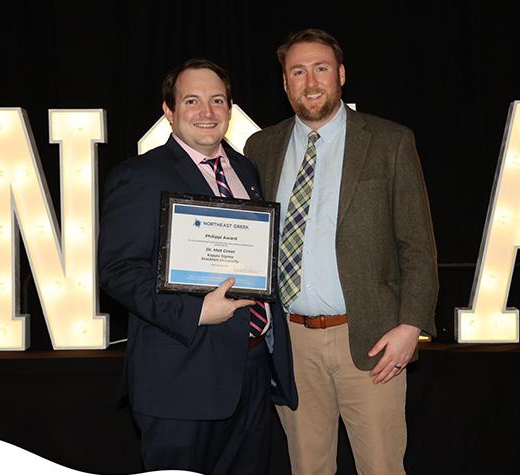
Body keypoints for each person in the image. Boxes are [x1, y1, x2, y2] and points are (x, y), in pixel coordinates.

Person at [243, 29, 438, 474]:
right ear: (285, 84)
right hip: (290, 344)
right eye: (298, 71)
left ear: (341, 75)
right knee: (307, 468)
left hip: (371, 341)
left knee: (382, 468)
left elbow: (418, 245)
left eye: (321, 68)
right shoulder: (261, 148)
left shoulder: (390, 142)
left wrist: (412, 326)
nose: (310, 82)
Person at [98, 58, 297, 475]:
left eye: (217, 100)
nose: (206, 112)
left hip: (253, 369)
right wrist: (197, 311)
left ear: (229, 109)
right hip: (181, 377)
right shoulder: (140, 175)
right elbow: (118, 270)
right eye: (192, 101)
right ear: (169, 111)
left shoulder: (245, 170)